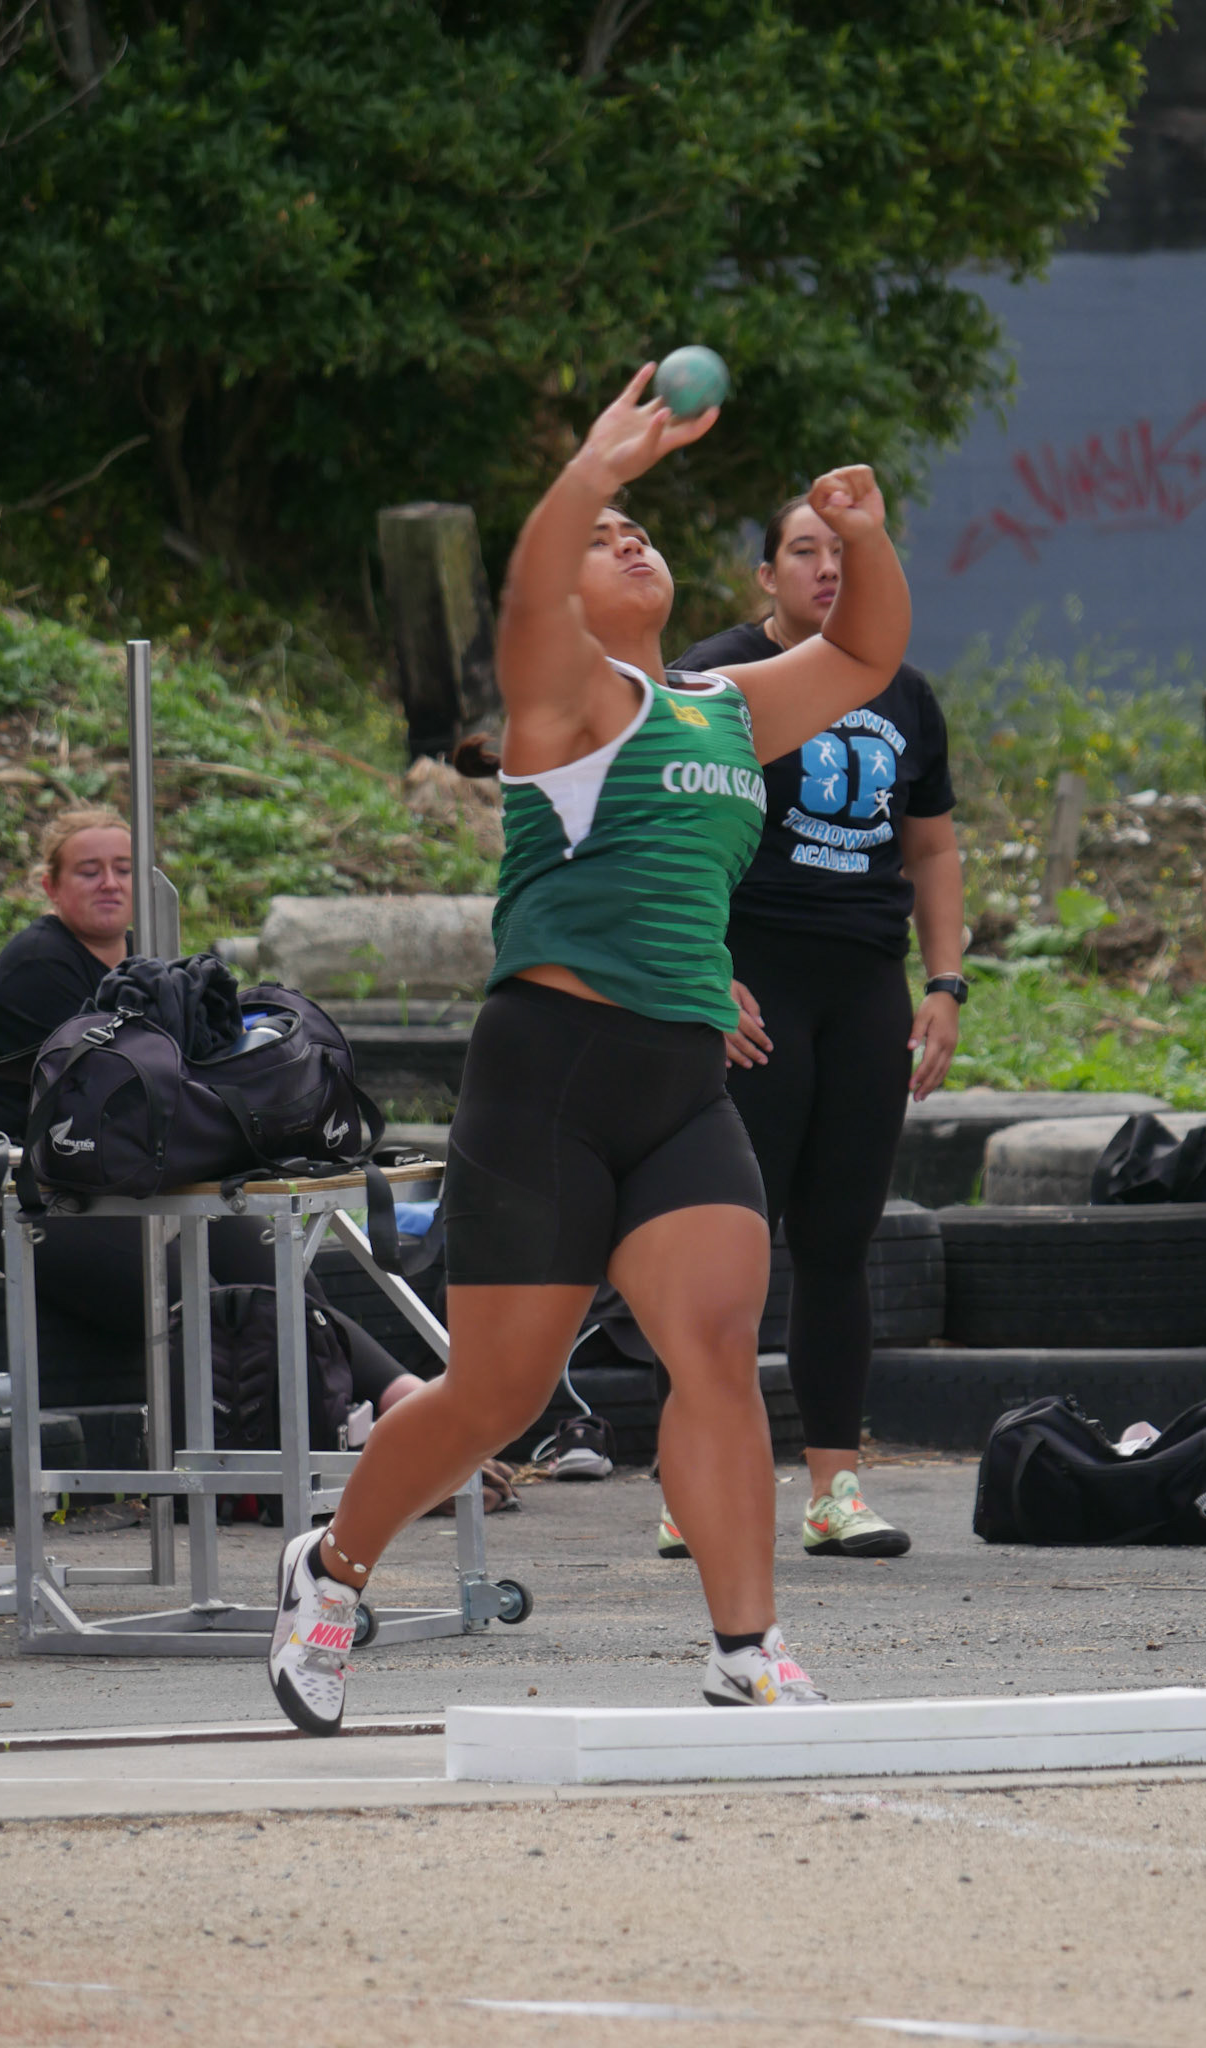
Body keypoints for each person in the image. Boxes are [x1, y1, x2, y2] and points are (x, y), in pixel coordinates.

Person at [268, 363, 913, 1733]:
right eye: (604, 539)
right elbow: (521, 596)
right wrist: (594, 474)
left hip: (680, 1083)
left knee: (718, 1346)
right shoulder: (559, 697)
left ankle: (747, 1645)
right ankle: (330, 1571)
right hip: (548, 1076)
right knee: (493, 1396)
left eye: (641, 532)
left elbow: (867, 657)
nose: (629, 542)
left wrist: (863, 540)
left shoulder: (725, 705)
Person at [652, 495, 963, 1561]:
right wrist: (706, 974)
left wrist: (945, 982)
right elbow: (669, 834)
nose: (827, 568)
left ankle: (834, 1491)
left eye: (845, 552)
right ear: (765, 575)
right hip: (754, 984)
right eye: (804, 550)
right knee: (727, 1245)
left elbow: (931, 847)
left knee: (839, 1239)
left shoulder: (905, 693)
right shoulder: (715, 678)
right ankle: (690, 1484)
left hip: (864, 986)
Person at [0, 808, 424, 1426]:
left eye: (124, 869)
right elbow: (124, 1100)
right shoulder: (38, 966)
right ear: (51, 886)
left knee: (276, 1264)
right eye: (89, 871)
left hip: (140, 1180)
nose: (110, 883)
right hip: (48, 1200)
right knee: (219, 1302)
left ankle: (401, 1403)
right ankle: (335, 1428)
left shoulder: (146, 962)